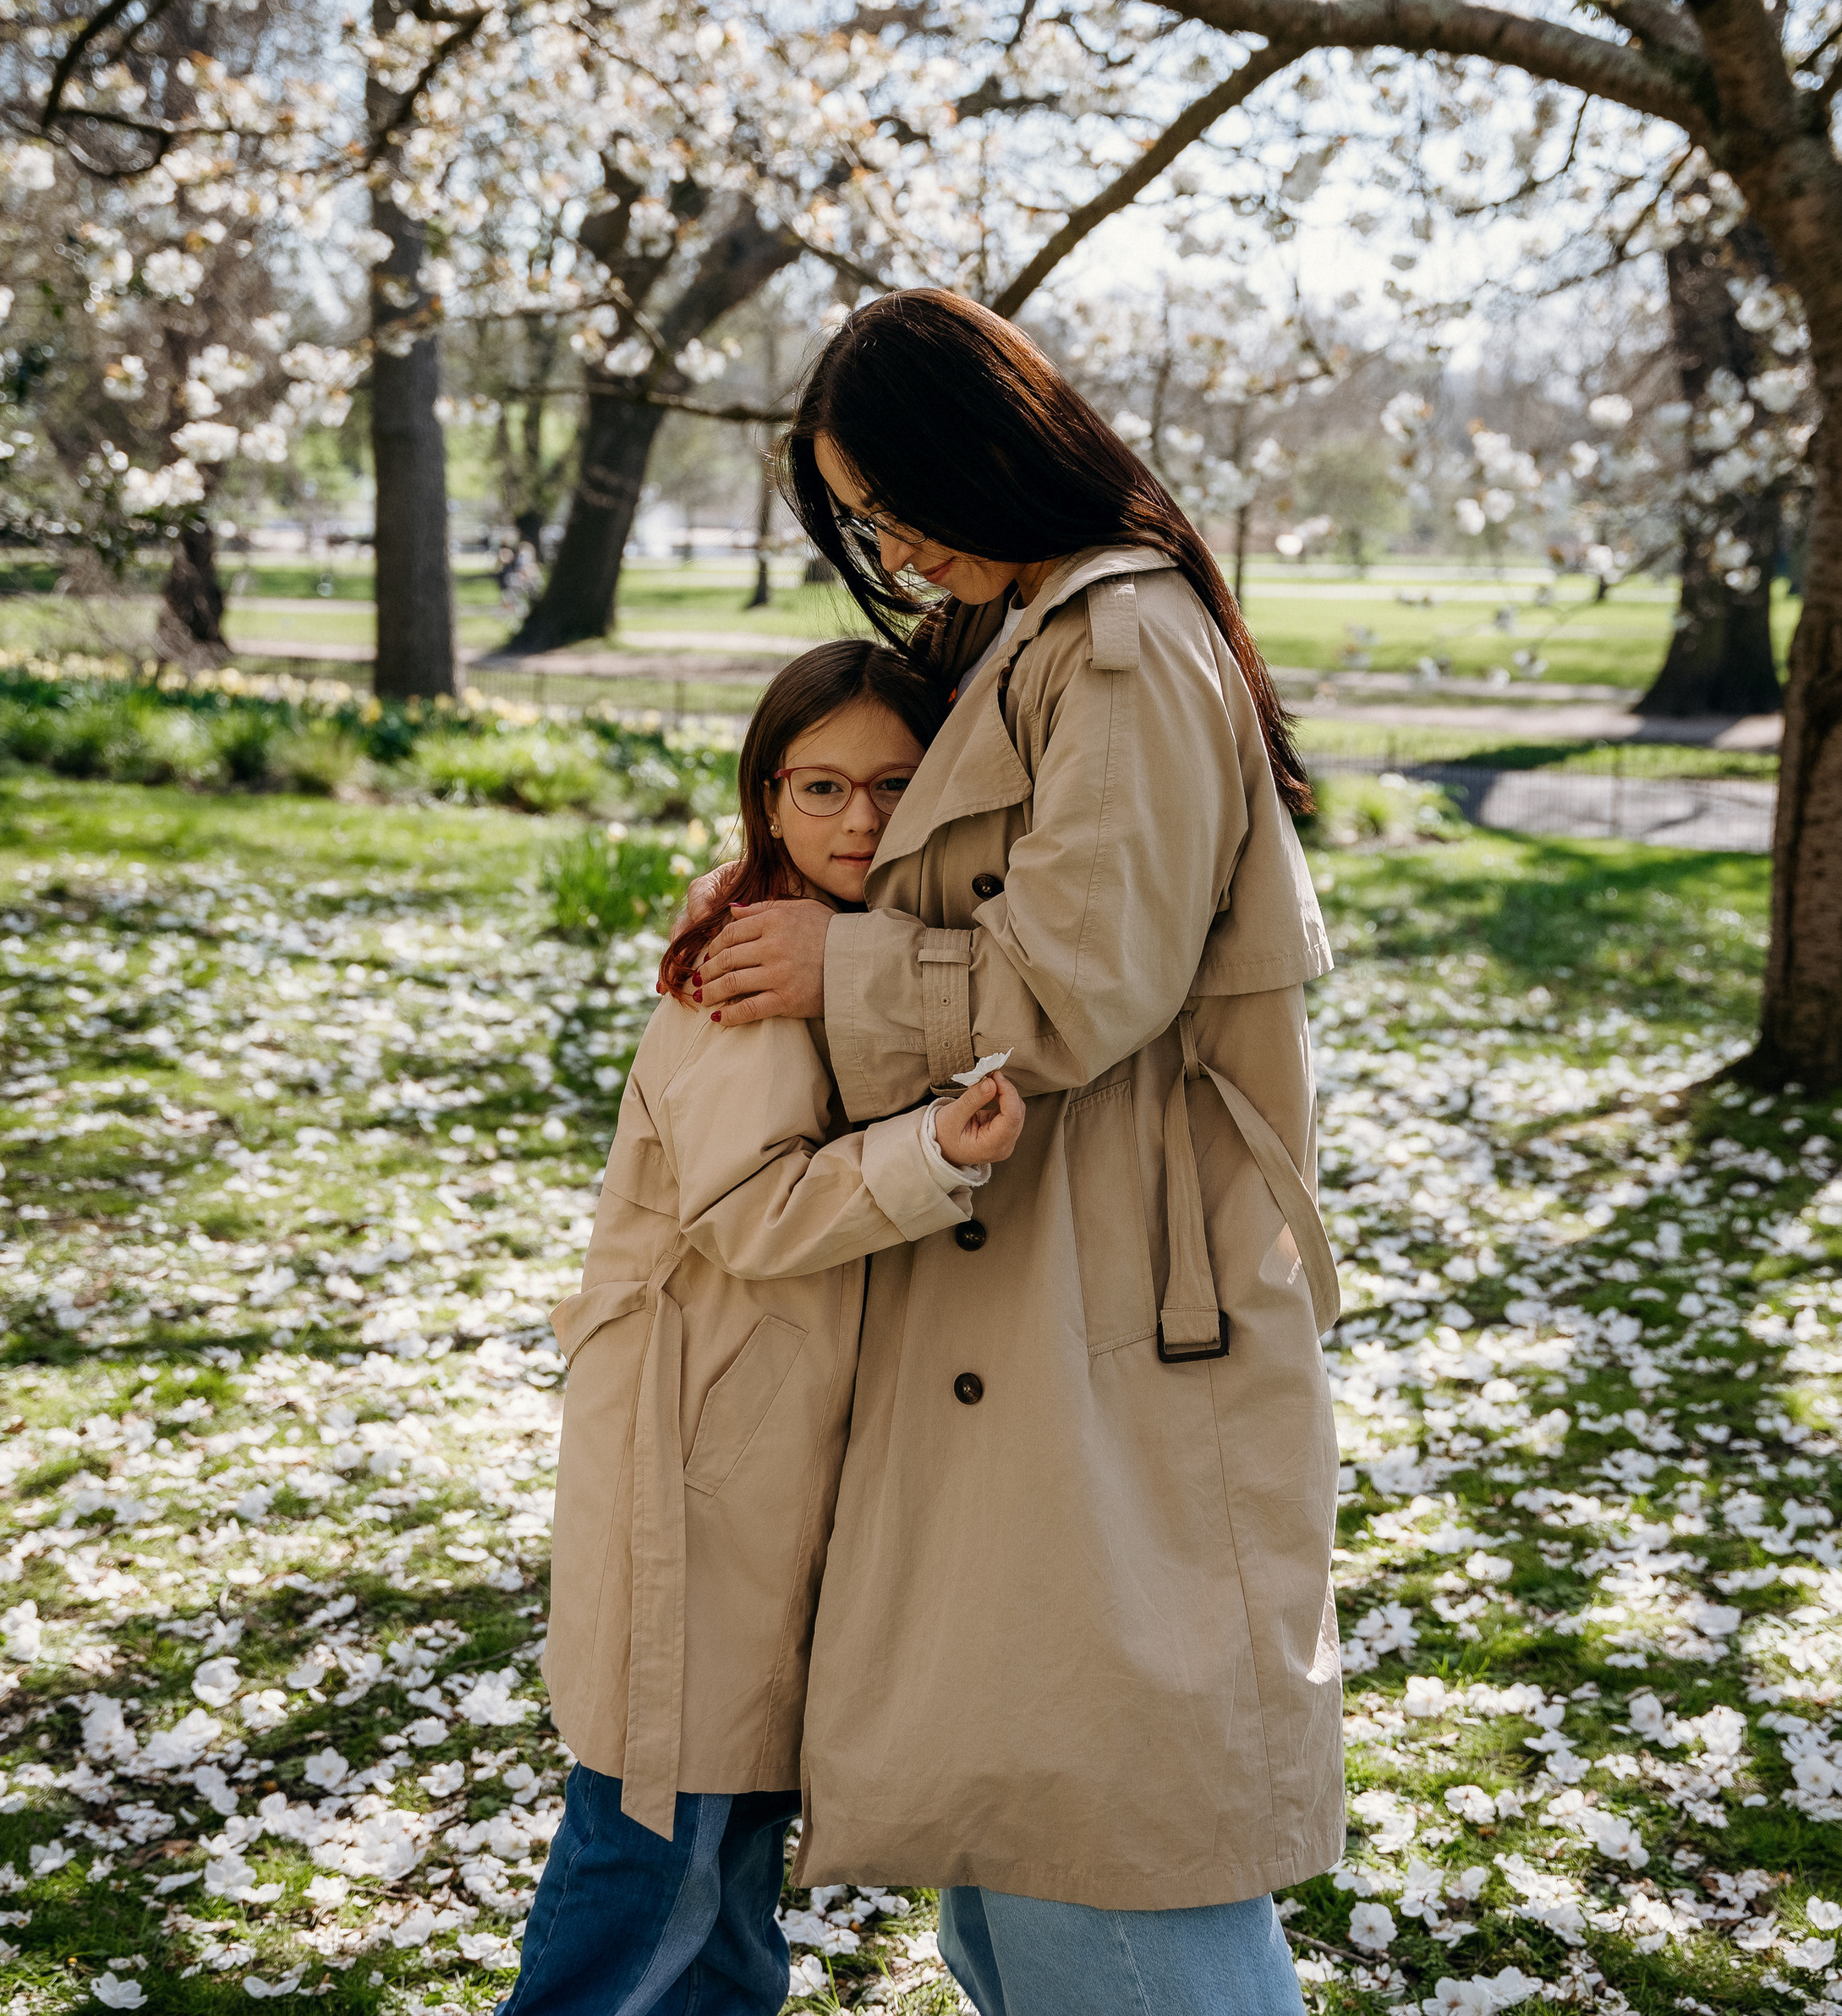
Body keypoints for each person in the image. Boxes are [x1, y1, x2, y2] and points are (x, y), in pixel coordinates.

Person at [694, 290, 1346, 2016]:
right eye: (859, 517)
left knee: (1106, 1835)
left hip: (1110, 1289)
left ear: (982, 453)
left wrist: (840, 966)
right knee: (1023, 1853)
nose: (887, 543)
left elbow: (1075, 984)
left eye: (895, 498)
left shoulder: (1116, 639)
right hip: (1030, 1266)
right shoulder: (1025, 630)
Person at [506, 639, 1026, 2016]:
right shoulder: (749, 959)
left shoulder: (835, 941)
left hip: (764, 1460)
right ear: (768, 792)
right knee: (655, 1865)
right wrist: (932, 1154)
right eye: (822, 787)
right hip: (701, 1462)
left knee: (726, 1879)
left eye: (897, 787)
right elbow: (747, 1213)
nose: (860, 821)